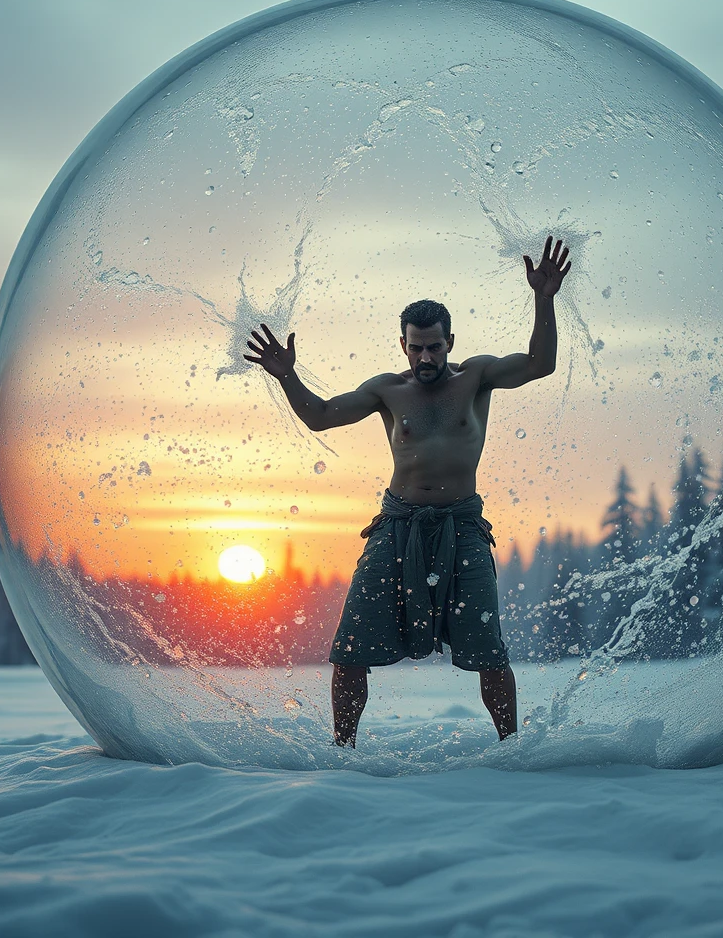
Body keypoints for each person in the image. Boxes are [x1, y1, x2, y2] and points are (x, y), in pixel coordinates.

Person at [245, 236, 572, 746]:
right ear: (403, 344)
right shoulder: (387, 390)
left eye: (434, 346)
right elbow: (322, 417)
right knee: (351, 645)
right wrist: (287, 376)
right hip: (396, 526)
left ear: (450, 342)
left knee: (489, 649)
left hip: (462, 527)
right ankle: (343, 749)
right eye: (416, 346)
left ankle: (514, 749)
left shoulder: (477, 378)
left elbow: (539, 364)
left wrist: (544, 299)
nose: (425, 356)